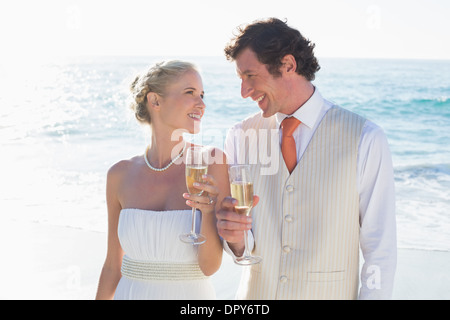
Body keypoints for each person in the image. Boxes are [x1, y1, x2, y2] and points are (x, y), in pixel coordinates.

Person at [217, 18, 397, 299]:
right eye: (241, 80)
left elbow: (380, 247)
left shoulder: (365, 138)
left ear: (288, 65)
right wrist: (235, 239)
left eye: (250, 76)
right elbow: (243, 245)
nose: (244, 92)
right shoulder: (240, 135)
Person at [95, 60, 228, 300]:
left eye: (202, 95)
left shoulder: (212, 162)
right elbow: (113, 266)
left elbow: (210, 267)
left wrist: (207, 213)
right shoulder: (119, 175)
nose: (202, 104)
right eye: (190, 93)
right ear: (155, 101)